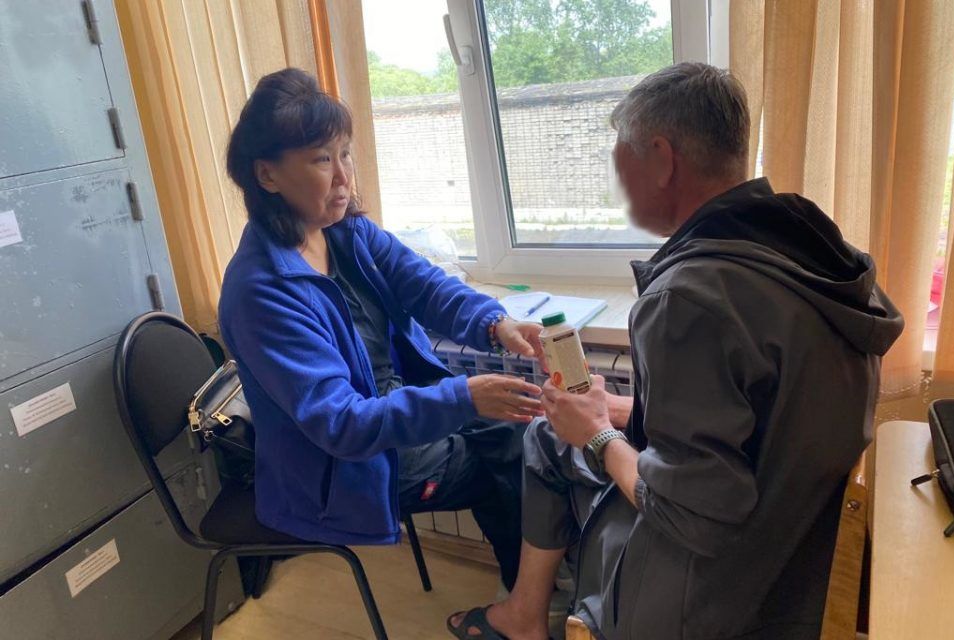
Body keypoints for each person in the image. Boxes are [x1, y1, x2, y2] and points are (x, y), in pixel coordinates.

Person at [448, 62, 904, 639]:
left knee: (556, 439)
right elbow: (758, 409)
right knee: (549, 429)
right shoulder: (814, 255)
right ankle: (525, 614)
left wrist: (599, 434)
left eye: (621, 158)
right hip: (793, 556)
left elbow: (690, 514)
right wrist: (622, 411)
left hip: (711, 594)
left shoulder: (688, 298)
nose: (618, 180)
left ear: (662, 159)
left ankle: (539, 614)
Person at [218, 68, 546, 590]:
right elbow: (342, 425)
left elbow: (425, 285)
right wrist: (464, 397)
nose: (344, 178)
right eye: (322, 160)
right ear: (267, 176)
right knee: (517, 453)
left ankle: (530, 600)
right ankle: (529, 605)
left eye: (345, 154)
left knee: (524, 436)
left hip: (390, 413)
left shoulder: (346, 232)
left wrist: (495, 322)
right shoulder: (261, 292)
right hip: (344, 469)